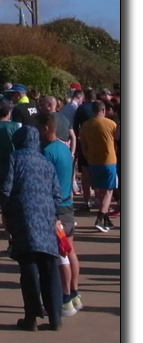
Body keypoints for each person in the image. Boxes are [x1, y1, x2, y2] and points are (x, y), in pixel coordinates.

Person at [1, 125, 64, 331]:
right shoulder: (46, 162)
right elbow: (57, 194)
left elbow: (5, 190)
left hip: (24, 217)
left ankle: (32, 316)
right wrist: (51, 213)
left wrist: (8, 214)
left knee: (28, 267)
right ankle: (55, 317)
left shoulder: (14, 158)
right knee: (49, 267)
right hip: (46, 218)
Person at [37, 111, 82, 316]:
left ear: (46, 129)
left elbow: (45, 182)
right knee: (69, 251)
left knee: (60, 255)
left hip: (56, 209)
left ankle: (64, 299)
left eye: (38, 129)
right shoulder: (64, 149)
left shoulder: (47, 152)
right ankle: (74, 293)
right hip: (67, 205)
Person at [77, 101, 120, 231]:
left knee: (100, 190)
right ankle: (100, 217)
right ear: (103, 110)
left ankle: (105, 217)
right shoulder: (110, 124)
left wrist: (87, 155)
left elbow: (83, 144)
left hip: (93, 161)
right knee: (108, 191)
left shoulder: (85, 125)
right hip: (109, 160)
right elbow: (117, 138)